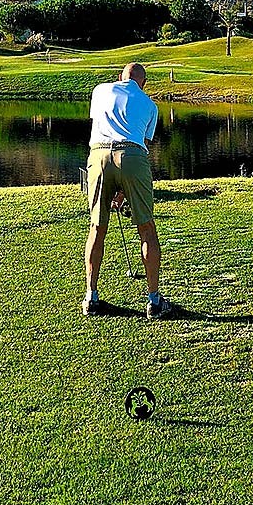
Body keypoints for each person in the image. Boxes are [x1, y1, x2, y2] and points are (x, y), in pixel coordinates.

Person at [83, 62, 168, 318]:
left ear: (119, 77)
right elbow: (139, 142)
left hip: (98, 156)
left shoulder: (100, 90)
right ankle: (153, 301)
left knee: (97, 227)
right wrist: (123, 186)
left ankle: (91, 297)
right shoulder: (149, 105)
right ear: (143, 84)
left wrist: (116, 186)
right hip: (132, 155)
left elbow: (100, 124)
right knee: (146, 228)